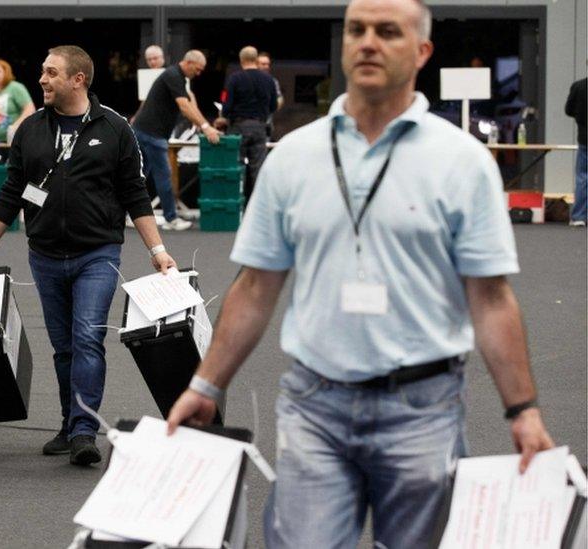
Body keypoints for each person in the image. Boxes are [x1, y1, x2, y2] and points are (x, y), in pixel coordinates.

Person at [167, 0, 554, 546]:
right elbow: (255, 286)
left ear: (421, 51)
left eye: (387, 31)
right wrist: (206, 384)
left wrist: (524, 412)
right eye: (357, 30)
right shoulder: (294, 158)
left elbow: (490, 297)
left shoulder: (462, 162)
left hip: (423, 407)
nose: (368, 41)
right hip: (314, 403)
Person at [0, 45, 177, 466]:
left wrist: (158, 250)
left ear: (78, 79)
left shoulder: (115, 128)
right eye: (43, 72)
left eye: (50, 73)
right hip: (44, 255)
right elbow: (12, 193)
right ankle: (69, 423)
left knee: (86, 338)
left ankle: (84, 430)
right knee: (63, 347)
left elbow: (135, 194)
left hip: (97, 253)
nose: (41, 80)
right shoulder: (30, 130)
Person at [132, 50, 220, 231]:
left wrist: (205, 125)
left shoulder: (177, 77)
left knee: (139, 177)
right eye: (198, 69)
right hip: (151, 134)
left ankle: (127, 214)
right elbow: (185, 106)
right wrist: (205, 127)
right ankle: (171, 218)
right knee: (163, 175)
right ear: (188, 63)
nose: (199, 73)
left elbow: (190, 104)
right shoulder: (173, 75)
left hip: (147, 131)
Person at [218, 46, 278, 198]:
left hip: (238, 127)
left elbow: (227, 106)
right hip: (260, 128)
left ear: (241, 60)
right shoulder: (269, 80)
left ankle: (235, 203)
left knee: (236, 168)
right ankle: (257, 206)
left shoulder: (235, 78)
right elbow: (273, 106)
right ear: (256, 59)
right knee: (258, 169)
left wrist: (226, 114)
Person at [0, 59, 35, 144]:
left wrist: (15, 126)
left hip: (13, 139)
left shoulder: (15, 87)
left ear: (6, 73)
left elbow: (30, 109)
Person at [565, 77, 586, 226]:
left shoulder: (578, 86)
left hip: (585, 138)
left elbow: (568, 110)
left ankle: (579, 216)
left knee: (583, 178)